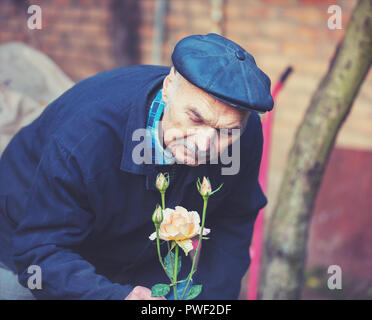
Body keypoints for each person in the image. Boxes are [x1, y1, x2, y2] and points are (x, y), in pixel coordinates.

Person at [0, 33, 273, 300]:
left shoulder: (243, 133)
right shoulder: (87, 136)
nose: (204, 144)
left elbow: (234, 218)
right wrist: (114, 296)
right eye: (195, 118)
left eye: (226, 132)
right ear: (168, 86)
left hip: (138, 252)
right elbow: (41, 249)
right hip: (29, 247)